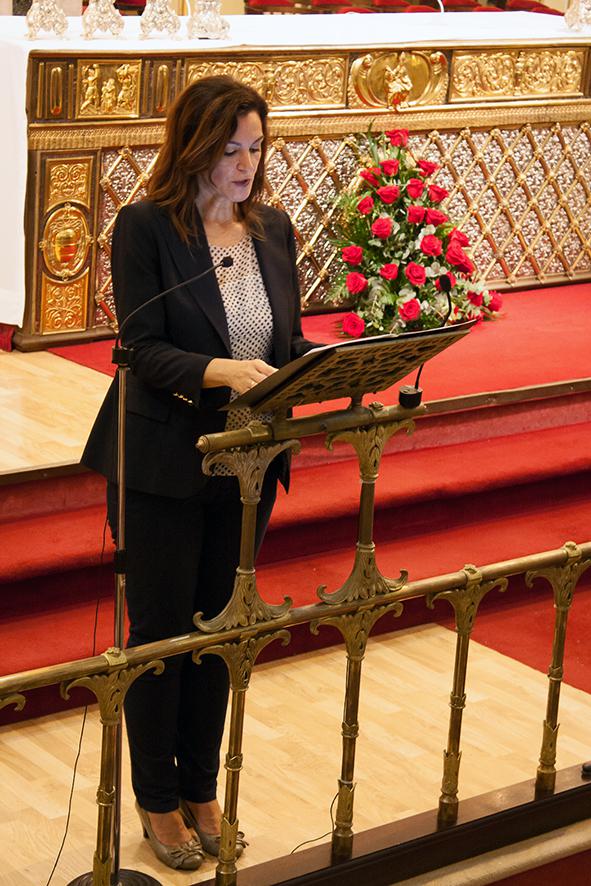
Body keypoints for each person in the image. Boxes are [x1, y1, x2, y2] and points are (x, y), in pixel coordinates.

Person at [82, 75, 318, 872]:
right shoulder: (146, 228)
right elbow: (144, 350)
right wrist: (222, 371)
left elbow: (281, 342)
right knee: (162, 637)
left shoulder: (273, 229)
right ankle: (155, 803)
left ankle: (199, 788)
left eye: (254, 148)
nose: (244, 165)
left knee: (222, 634)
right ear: (193, 148)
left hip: (247, 465)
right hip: (162, 459)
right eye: (228, 150)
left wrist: (340, 361)